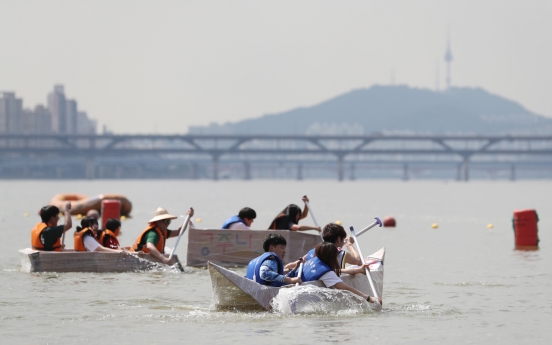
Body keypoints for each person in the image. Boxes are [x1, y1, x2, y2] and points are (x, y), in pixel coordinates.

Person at [301, 242, 382, 305]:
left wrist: (356, 271)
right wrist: (369, 298)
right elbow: (346, 288)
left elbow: (336, 271)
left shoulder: (312, 259)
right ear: (332, 257)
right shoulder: (326, 273)